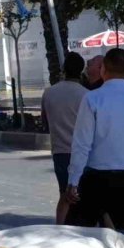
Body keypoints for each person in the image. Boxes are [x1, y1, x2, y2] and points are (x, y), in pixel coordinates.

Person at [65, 48, 124, 236]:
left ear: (103, 70)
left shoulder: (93, 98)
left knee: (78, 233)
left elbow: (82, 144)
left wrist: (73, 180)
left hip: (97, 178)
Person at [41, 52, 88, 194]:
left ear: (63, 69)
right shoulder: (87, 95)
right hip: (83, 152)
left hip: (60, 151)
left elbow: (45, 122)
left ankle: (67, 217)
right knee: (85, 196)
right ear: (81, 70)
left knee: (65, 194)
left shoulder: (49, 93)